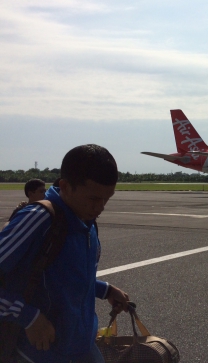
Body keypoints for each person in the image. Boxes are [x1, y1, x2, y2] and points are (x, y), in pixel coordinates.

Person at [0, 144, 129, 363]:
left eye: (107, 198)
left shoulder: (85, 222)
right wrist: (28, 317)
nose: (101, 207)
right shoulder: (38, 218)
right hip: (34, 354)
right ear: (65, 186)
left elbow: (62, 277)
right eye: (93, 198)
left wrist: (105, 290)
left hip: (81, 347)